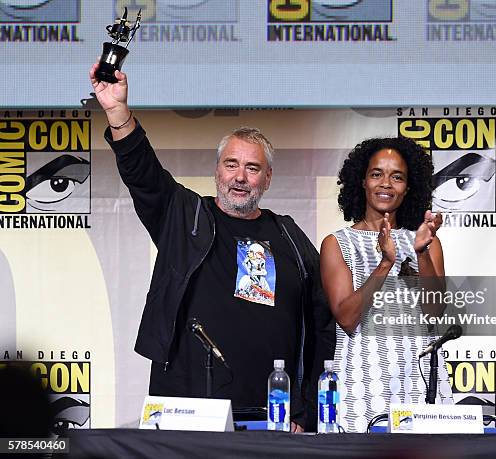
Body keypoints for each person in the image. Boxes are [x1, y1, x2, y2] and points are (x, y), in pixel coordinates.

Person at [89, 65, 334, 431]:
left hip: (273, 416)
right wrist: (117, 112)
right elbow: (143, 174)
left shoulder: (289, 236)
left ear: (267, 178)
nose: (240, 177)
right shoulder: (184, 216)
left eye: (252, 168)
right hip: (187, 413)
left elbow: (322, 325)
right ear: (217, 170)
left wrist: (307, 410)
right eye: (231, 164)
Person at [320, 137, 454, 433]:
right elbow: (347, 318)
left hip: (418, 378)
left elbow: (433, 314)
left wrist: (420, 254)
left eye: (397, 177)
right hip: (364, 379)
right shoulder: (337, 244)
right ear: (362, 181)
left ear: (408, 188)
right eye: (376, 174)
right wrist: (385, 263)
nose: (386, 184)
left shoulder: (426, 242)